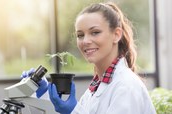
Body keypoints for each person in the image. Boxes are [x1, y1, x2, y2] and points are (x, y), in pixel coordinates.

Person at [22, 1, 156, 114]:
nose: (85, 41)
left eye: (95, 32)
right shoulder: (98, 85)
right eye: (80, 35)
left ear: (116, 34)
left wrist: (74, 110)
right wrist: (43, 94)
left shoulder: (126, 87)